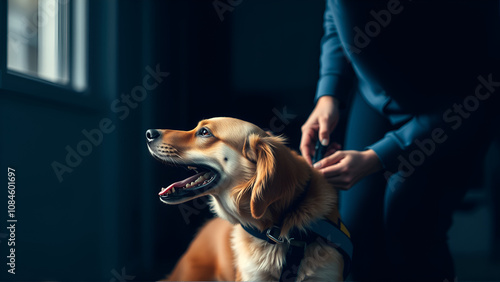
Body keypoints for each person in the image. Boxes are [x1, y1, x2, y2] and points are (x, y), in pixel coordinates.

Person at [300, 1, 500, 281]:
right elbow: (336, 17)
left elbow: (473, 97)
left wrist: (377, 156)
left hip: (454, 109)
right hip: (374, 97)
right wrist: (328, 95)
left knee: (411, 233)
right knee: (355, 234)